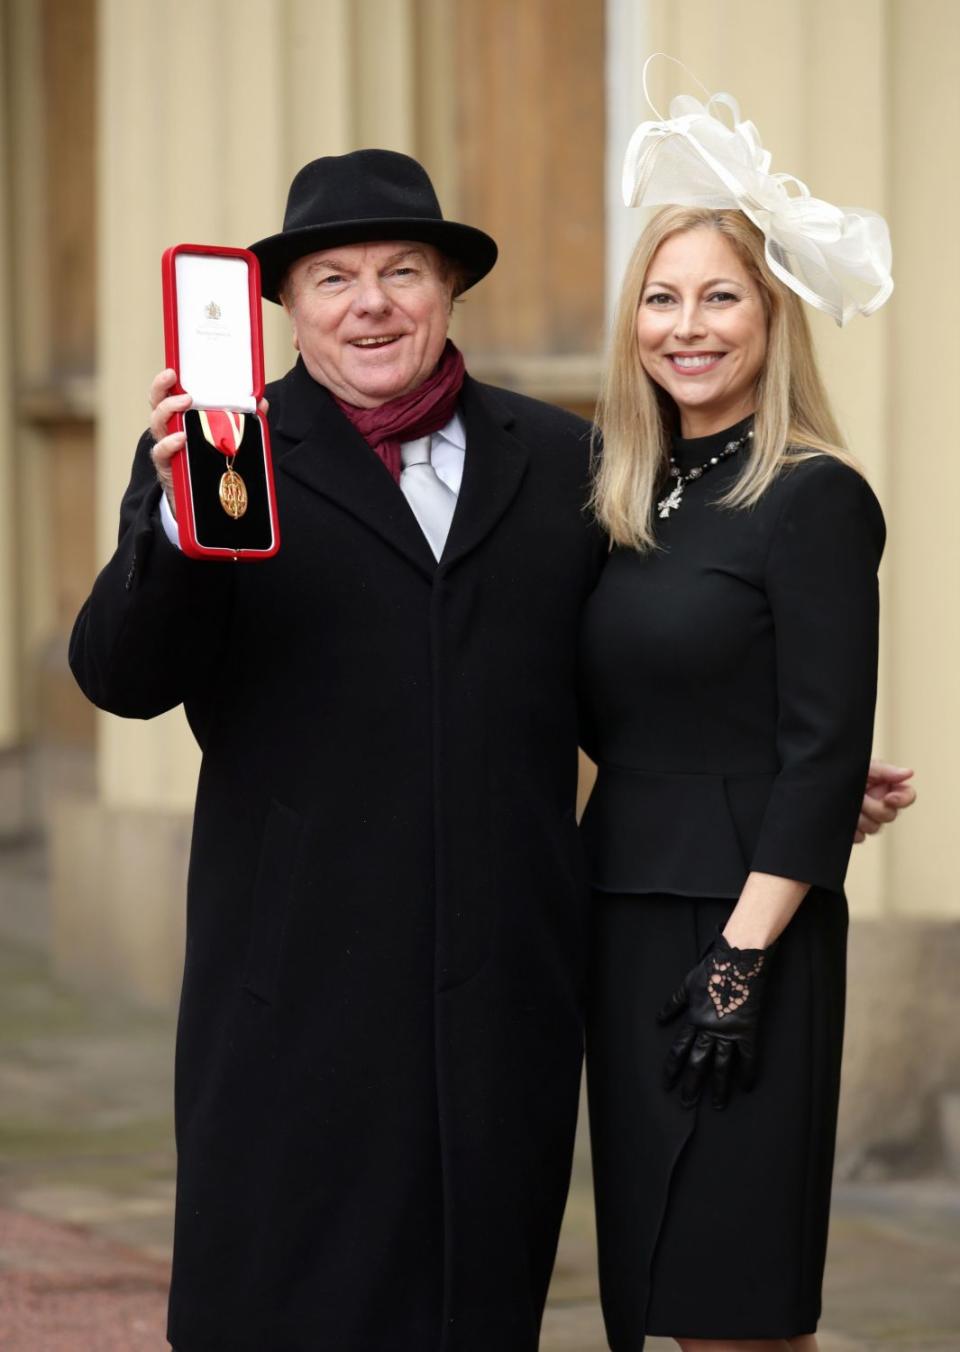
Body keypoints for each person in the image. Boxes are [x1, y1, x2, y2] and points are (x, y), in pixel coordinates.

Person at [70, 147, 910, 1352]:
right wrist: (172, 528)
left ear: (449, 287)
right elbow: (120, 676)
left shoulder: (564, 462)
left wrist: (771, 775)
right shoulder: (219, 453)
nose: (371, 303)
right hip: (297, 983)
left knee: (477, 1299)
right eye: (333, 278)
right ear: (289, 306)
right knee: (280, 1300)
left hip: (501, 983)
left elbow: (628, 660)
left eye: (402, 270)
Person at [579, 66, 901, 1350]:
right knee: (659, 1278)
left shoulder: (815, 498)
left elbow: (822, 735)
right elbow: (641, 707)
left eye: (722, 296)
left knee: (738, 1295)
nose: (687, 325)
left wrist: (742, 957)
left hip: (741, 937)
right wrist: (776, 780)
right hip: (619, 911)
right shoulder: (620, 499)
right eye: (662, 298)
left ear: (774, 318)